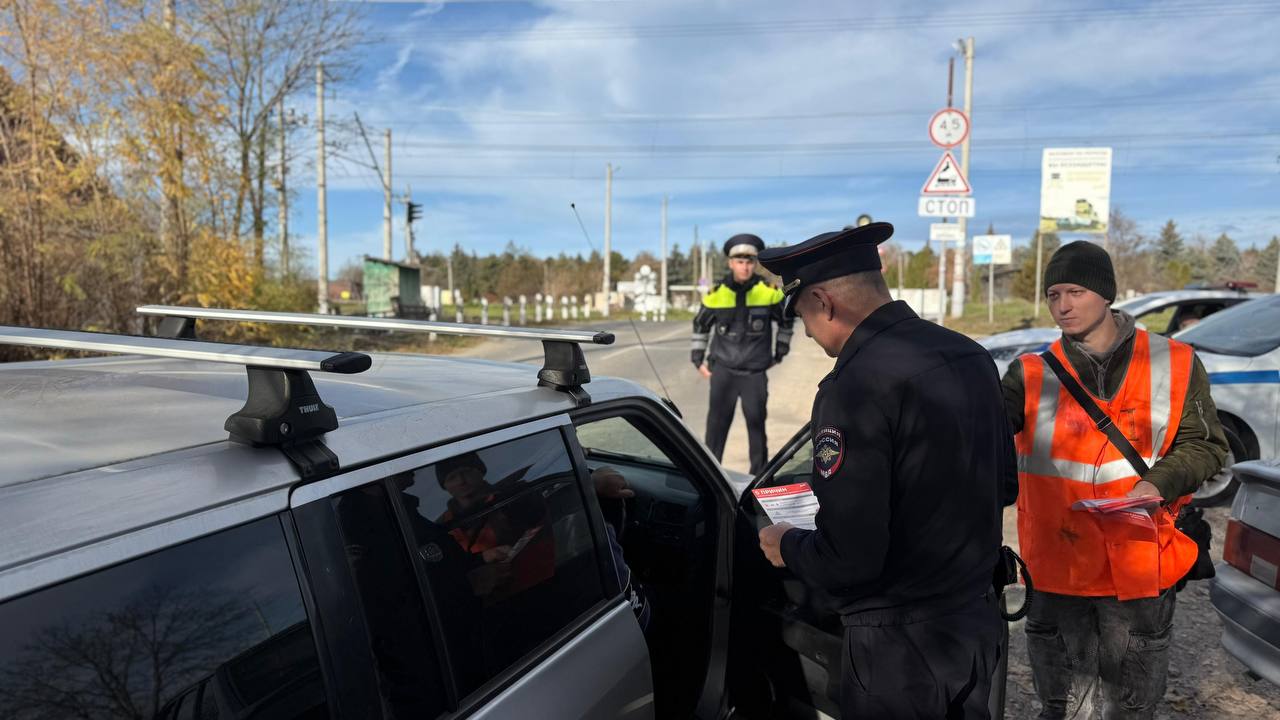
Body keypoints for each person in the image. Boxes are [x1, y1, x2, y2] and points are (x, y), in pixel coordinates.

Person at [755, 223, 1012, 719]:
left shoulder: (853, 388)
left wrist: (784, 544)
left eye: (804, 315)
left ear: (824, 302)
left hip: (900, 653)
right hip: (974, 626)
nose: (807, 332)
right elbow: (1002, 485)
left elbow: (850, 559)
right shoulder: (971, 355)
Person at [1001, 241, 1227, 719]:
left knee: (1129, 709)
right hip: (1057, 569)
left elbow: (1206, 445)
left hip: (1138, 569)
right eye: (1053, 294)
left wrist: (1158, 484)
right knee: (1062, 709)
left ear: (1106, 294)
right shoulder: (1028, 373)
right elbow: (981, 444)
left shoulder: (1176, 362)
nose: (1062, 305)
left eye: (1076, 291)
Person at [691, 233, 794, 474]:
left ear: (755, 264)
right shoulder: (716, 294)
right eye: (739, 261)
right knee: (715, 431)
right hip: (723, 373)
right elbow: (700, 325)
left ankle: (758, 482)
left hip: (754, 374)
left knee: (757, 431)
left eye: (749, 261)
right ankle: (709, 478)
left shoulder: (769, 292)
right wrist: (698, 359)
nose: (745, 266)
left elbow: (787, 320)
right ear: (730, 262)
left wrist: (780, 351)